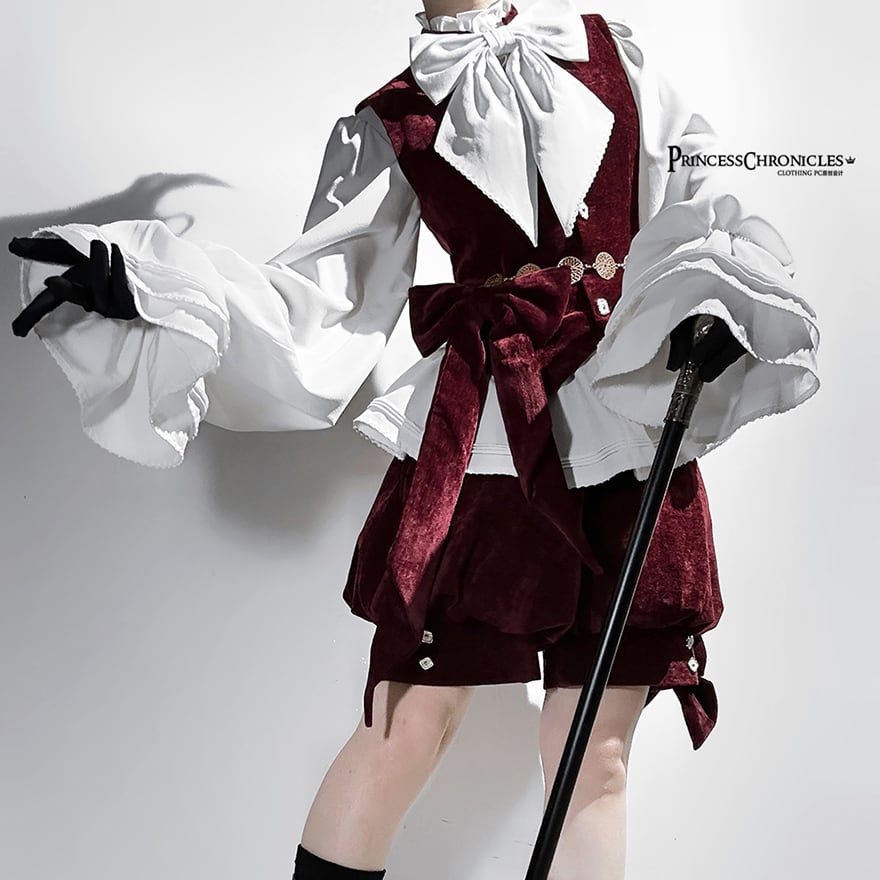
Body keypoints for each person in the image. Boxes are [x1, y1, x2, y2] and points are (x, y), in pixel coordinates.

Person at [7, 1, 819, 877]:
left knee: (596, 755)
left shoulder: (614, 57)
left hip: (630, 420)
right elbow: (318, 307)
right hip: (488, 440)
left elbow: (700, 197)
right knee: (407, 723)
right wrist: (153, 288)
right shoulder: (390, 121)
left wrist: (715, 299)